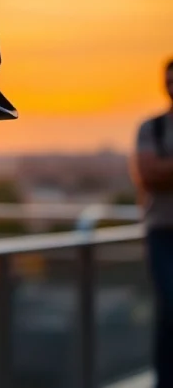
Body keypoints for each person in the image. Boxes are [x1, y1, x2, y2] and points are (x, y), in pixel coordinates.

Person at [131, 58, 173, 388]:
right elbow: (150, 174)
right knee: (169, 309)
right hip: (162, 233)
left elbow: (160, 172)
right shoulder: (152, 128)